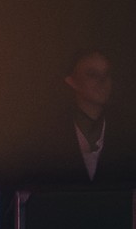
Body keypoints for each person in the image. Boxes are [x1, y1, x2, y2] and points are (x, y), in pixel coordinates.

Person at [47, 48, 125, 184]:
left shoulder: (126, 131)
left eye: (107, 74)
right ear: (72, 81)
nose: (103, 81)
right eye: (92, 74)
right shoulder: (50, 134)